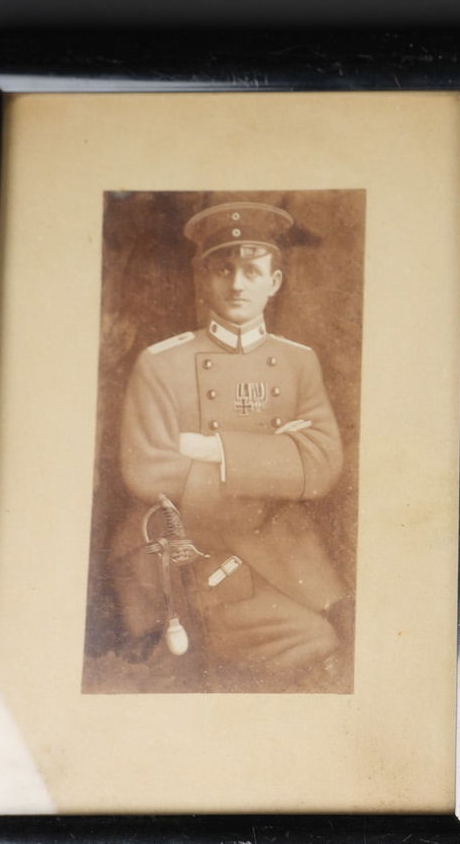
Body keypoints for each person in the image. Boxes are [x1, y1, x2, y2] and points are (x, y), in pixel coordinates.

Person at [115, 200, 347, 689]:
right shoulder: (161, 364)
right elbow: (146, 470)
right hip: (195, 551)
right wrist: (278, 459)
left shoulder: (298, 362)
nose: (238, 284)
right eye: (223, 269)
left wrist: (214, 449)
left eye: (251, 270)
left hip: (285, 554)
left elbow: (324, 464)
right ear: (204, 278)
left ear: (274, 281)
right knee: (312, 643)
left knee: (334, 642)